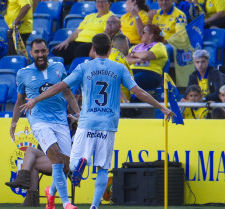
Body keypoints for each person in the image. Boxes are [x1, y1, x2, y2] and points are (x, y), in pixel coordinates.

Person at [20, 33, 174, 209]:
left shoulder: (84, 68)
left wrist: (35, 99)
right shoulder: (119, 68)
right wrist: (161, 107)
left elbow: (59, 87)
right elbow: (139, 91)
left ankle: (67, 194)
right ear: (110, 50)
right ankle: (76, 200)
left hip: (87, 123)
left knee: (72, 165)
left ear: (92, 49)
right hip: (108, 124)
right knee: (102, 167)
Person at [10, 38, 80, 209]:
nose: (40, 55)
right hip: (39, 121)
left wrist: (78, 114)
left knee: (67, 165)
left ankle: (49, 191)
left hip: (60, 120)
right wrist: (13, 124)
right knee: (55, 156)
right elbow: (19, 101)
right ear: (31, 53)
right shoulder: (23, 73)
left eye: (43, 51)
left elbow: (68, 93)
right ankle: (66, 203)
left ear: (48, 51)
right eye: (37, 52)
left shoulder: (59, 67)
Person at [52, 0, 114, 65]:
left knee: (80, 50)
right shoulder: (89, 16)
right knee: (57, 51)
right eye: (98, 2)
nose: (100, 4)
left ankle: (75, 70)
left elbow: (105, 35)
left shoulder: (111, 18)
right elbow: (77, 32)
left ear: (109, 3)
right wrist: (66, 41)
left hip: (92, 43)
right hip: (78, 42)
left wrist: (96, 46)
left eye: (103, 2)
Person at [126, 24, 168, 91]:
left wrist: (133, 55)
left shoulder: (159, 46)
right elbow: (126, 59)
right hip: (132, 71)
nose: (140, 34)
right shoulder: (136, 47)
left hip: (150, 73)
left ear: (151, 35)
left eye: (143, 32)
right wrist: (138, 60)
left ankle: (131, 100)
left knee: (131, 81)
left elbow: (146, 55)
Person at [109, 34, 133, 103]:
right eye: (128, 45)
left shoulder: (108, 56)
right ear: (124, 45)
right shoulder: (119, 60)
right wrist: (125, 100)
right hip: (119, 103)